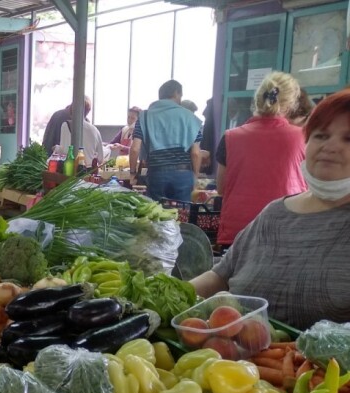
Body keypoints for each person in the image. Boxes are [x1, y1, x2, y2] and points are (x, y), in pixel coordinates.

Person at [190, 88, 350, 329]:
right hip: (231, 361)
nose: (331, 146)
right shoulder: (275, 213)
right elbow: (220, 276)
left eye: (348, 139)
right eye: (321, 135)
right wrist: (164, 296)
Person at [213, 72, 306, 247]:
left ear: (257, 99)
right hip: (287, 228)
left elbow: (221, 187)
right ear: (291, 104)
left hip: (238, 232)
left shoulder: (230, 137)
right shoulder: (303, 137)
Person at [129, 80, 202, 202]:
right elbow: (195, 153)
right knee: (182, 214)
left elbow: (135, 148)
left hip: (156, 173)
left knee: (157, 215)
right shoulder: (190, 117)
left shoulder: (145, 116)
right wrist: (195, 175)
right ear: (176, 93)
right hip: (183, 173)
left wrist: (132, 173)